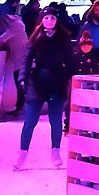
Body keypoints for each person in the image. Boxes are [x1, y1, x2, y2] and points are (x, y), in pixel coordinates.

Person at [15, 17, 80, 169]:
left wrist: (73, 77)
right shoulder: (36, 38)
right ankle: (22, 153)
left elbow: (71, 62)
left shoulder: (63, 39)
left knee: (56, 120)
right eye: (46, 17)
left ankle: (55, 152)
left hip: (57, 82)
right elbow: (26, 60)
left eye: (52, 18)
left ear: (57, 20)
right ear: (42, 20)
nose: (49, 20)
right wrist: (23, 77)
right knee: (30, 121)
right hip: (36, 83)